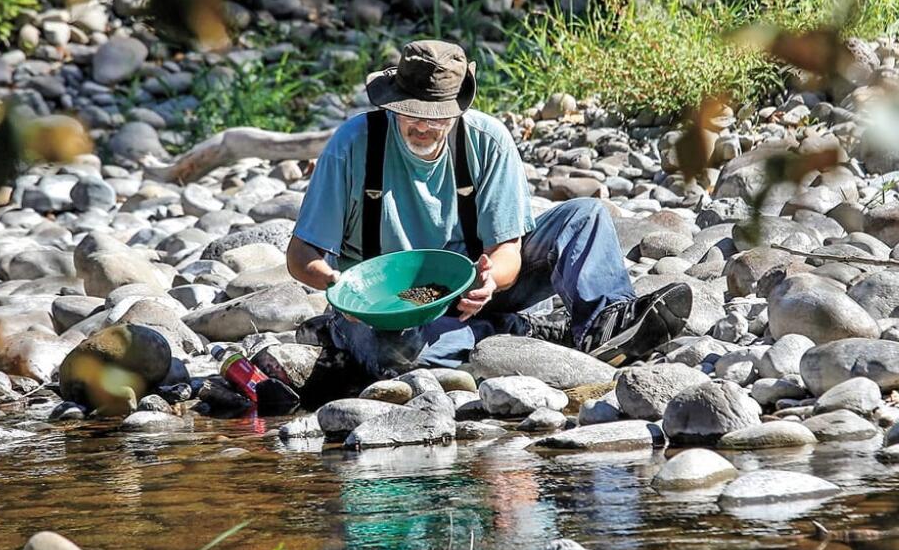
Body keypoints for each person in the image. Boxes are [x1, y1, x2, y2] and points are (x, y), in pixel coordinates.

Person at [286, 39, 691, 378]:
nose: (424, 127)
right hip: (383, 309)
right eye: (412, 114)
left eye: (438, 117)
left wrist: (489, 282)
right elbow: (300, 254)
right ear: (392, 102)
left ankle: (606, 325)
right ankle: (516, 336)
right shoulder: (353, 144)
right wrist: (336, 286)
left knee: (584, 216)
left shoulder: (487, 140)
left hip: (474, 287)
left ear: (458, 107)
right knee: (402, 356)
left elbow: (508, 252)